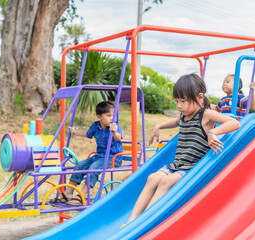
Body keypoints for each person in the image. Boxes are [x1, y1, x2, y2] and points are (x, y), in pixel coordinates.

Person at [124, 73, 240, 225]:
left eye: (183, 101)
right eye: (177, 101)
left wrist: (213, 132)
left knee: (166, 181)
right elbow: (175, 121)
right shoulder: (184, 116)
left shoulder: (205, 114)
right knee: (152, 178)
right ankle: (131, 220)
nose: (179, 106)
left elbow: (234, 123)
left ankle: (144, 221)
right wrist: (159, 126)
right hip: (178, 164)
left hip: (192, 168)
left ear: (199, 97)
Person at [50, 101, 123, 206]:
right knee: (80, 165)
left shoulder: (115, 126)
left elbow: (118, 137)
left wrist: (114, 132)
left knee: (93, 168)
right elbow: (88, 134)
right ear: (99, 117)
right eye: (108, 115)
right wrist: (75, 133)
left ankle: (82, 195)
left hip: (114, 158)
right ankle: (68, 193)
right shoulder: (96, 125)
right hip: (99, 156)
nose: (111, 118)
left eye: (113, 115)